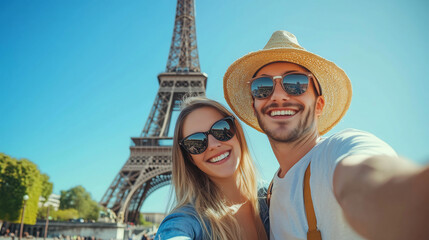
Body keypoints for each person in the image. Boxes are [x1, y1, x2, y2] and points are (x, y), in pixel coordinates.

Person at [223, 30, 429, 240]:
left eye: (296, 83)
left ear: (319, 104)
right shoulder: (271, 195)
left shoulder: (339, 150)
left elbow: (369, 178)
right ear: (255, 106)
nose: (278, 95)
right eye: (262, 87)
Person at [155, 97, 269, 240]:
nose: (213, 144)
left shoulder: (276, 197)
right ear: (190, 158)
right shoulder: (187, 221)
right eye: (195, 142)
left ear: (237, 132)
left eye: (222, 129)